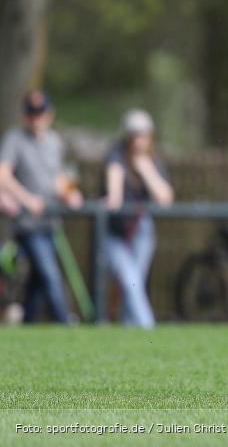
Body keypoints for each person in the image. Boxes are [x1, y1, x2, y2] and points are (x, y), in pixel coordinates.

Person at [0, 90, 83, 323]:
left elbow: (56, 179)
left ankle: (28, 325)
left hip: (50, 221)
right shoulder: (14, 139)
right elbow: (2, 174)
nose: (36, 118)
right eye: (31, 113)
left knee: (37, 282)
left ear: (49, 114)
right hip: (27, 223)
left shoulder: (54, 142)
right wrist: (26, 199)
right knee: (49, 274)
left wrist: (69, 193)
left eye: (40, 112)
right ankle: (65, 322)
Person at [101, 109, 173, 329]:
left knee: (134, 284)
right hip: (115, 232)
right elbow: (113, 195)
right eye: (133, 135)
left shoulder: (152, 161)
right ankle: (147, 329)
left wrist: (145, 170)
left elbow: (165, 198)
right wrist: (114, 195)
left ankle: (128, 331)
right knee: (130, 282)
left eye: (142, 135)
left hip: (141, 230)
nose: (138, 141)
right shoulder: (115, 157)